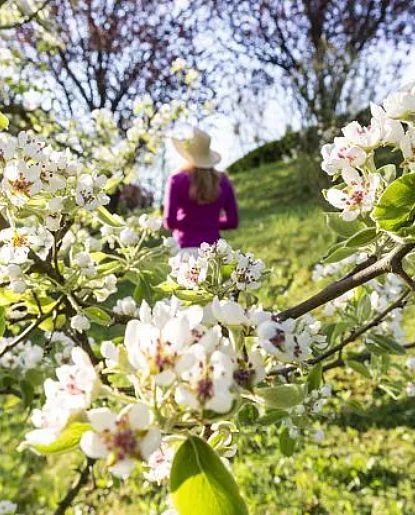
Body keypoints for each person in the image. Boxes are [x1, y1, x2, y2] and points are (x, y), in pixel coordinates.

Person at [163, 127, 239, 254]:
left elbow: (169, 222)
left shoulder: (176, 180)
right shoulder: (223, 181)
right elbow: (232, 221)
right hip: (214, 253)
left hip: (185, 249)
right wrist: (210, 223)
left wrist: (191, 223)